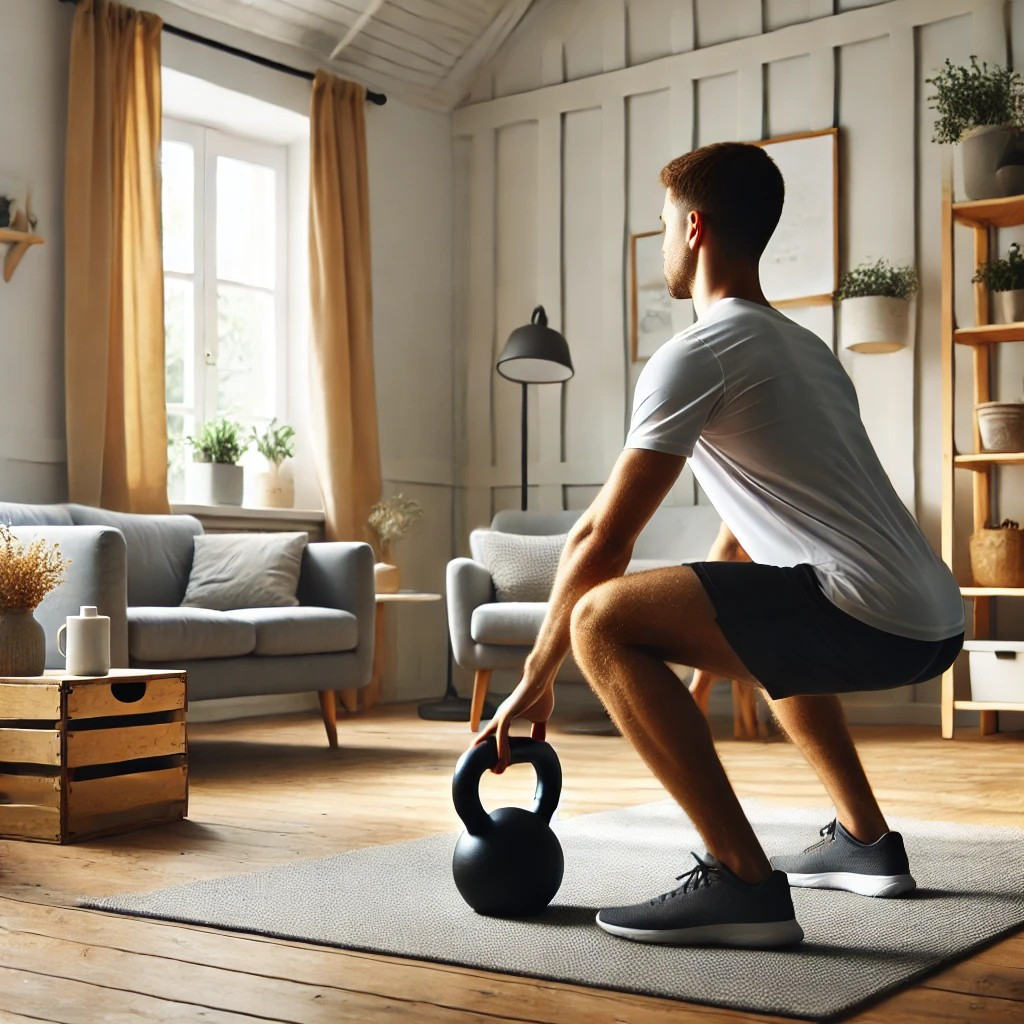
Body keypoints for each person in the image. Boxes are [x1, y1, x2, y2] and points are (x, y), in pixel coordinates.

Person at [470, 141, 965, 948]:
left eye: (665, 224)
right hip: (936, 620)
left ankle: (742, 883)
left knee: (600, 619)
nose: (665, 240)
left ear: (694, 228)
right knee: (783, 613)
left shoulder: (695, 353)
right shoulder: (804, 349)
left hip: (868, 616)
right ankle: (867, 843)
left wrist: (536, 676)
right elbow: (747, 533)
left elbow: (601, 537)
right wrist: (706, 666)